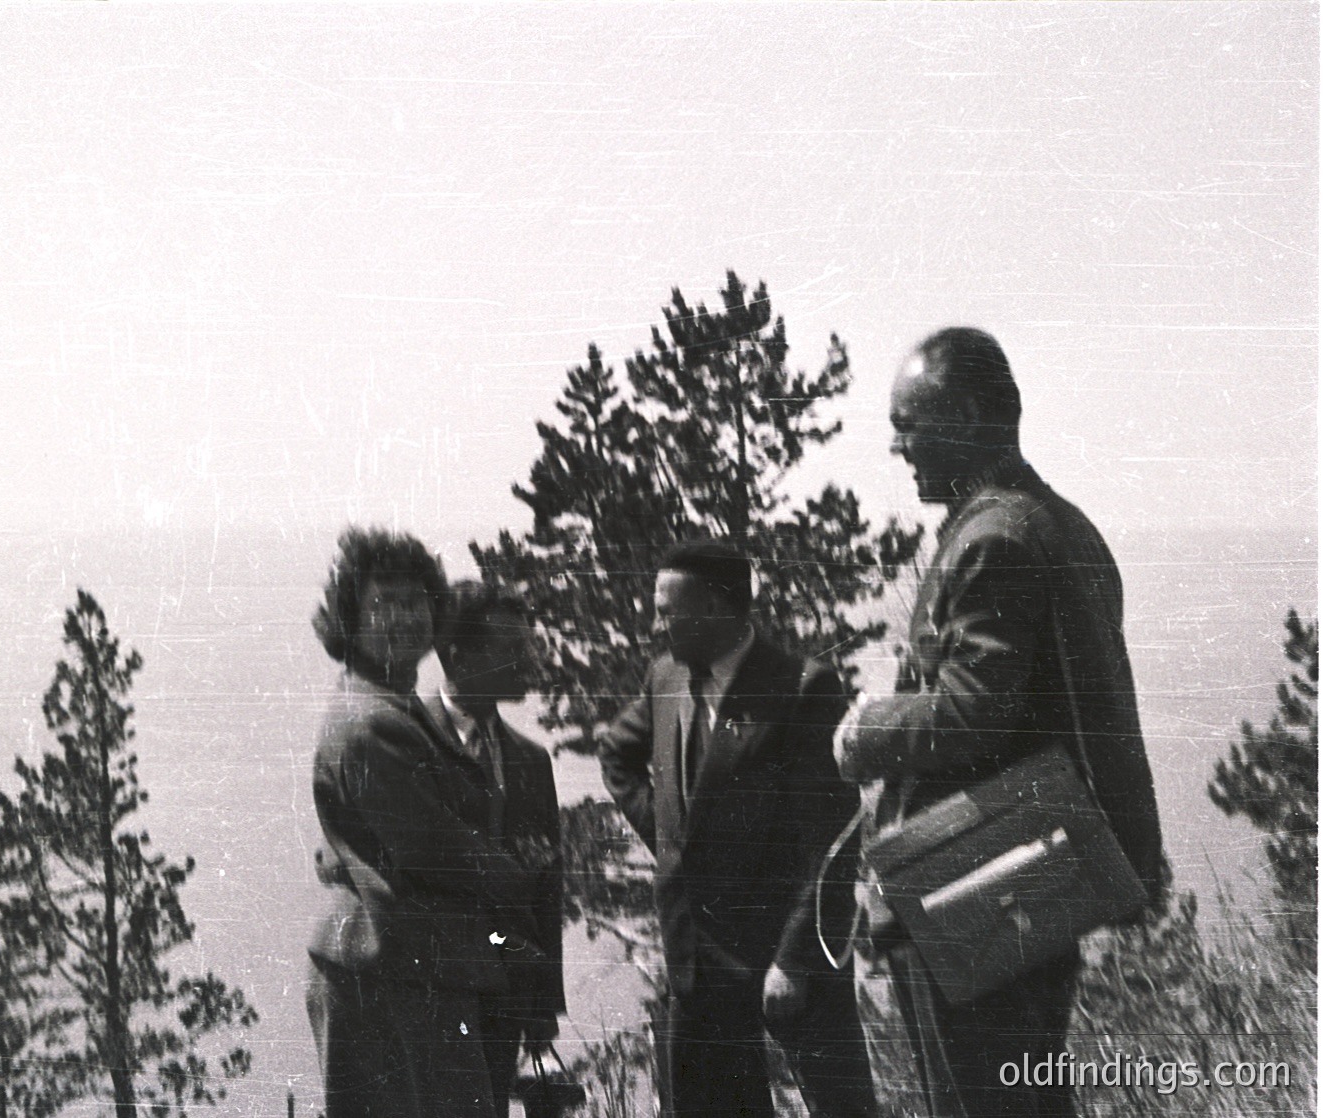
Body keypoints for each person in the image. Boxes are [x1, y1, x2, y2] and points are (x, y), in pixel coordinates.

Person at [834, 327, 1164, 1118]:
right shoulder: (1056, 523)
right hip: (1035, 866)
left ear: (974, 416)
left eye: (909, 422)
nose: (896, 445)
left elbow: (980, 707)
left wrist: (866, 730)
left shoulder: (994, 540)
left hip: (977, 880)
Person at [598, 540, 875, 1118]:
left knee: (839, 1105)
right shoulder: (666, 678)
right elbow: (616, 756)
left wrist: (794, 962)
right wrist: (675, 847)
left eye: (665, 611)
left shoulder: (802, 688)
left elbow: (833, 840)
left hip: (784, 954)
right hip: (697, 955)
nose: (654, 625)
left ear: (719, 608)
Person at [306, 527, 543, 1118]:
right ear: (349, 618)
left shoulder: (392, 705)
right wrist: (517, 871)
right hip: (388, 975)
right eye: (384, 604)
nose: (405, 619)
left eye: (416, 603)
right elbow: (435, 848)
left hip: (405, 969)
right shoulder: (372, 721)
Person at [424, 581, 566, 1118]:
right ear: (458, 655)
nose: (526, 662)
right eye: (509, 650)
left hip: (504, 998)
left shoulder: (531, 762)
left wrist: (543, 1008)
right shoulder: (404, 741)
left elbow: (546, 892)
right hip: (428, 996)